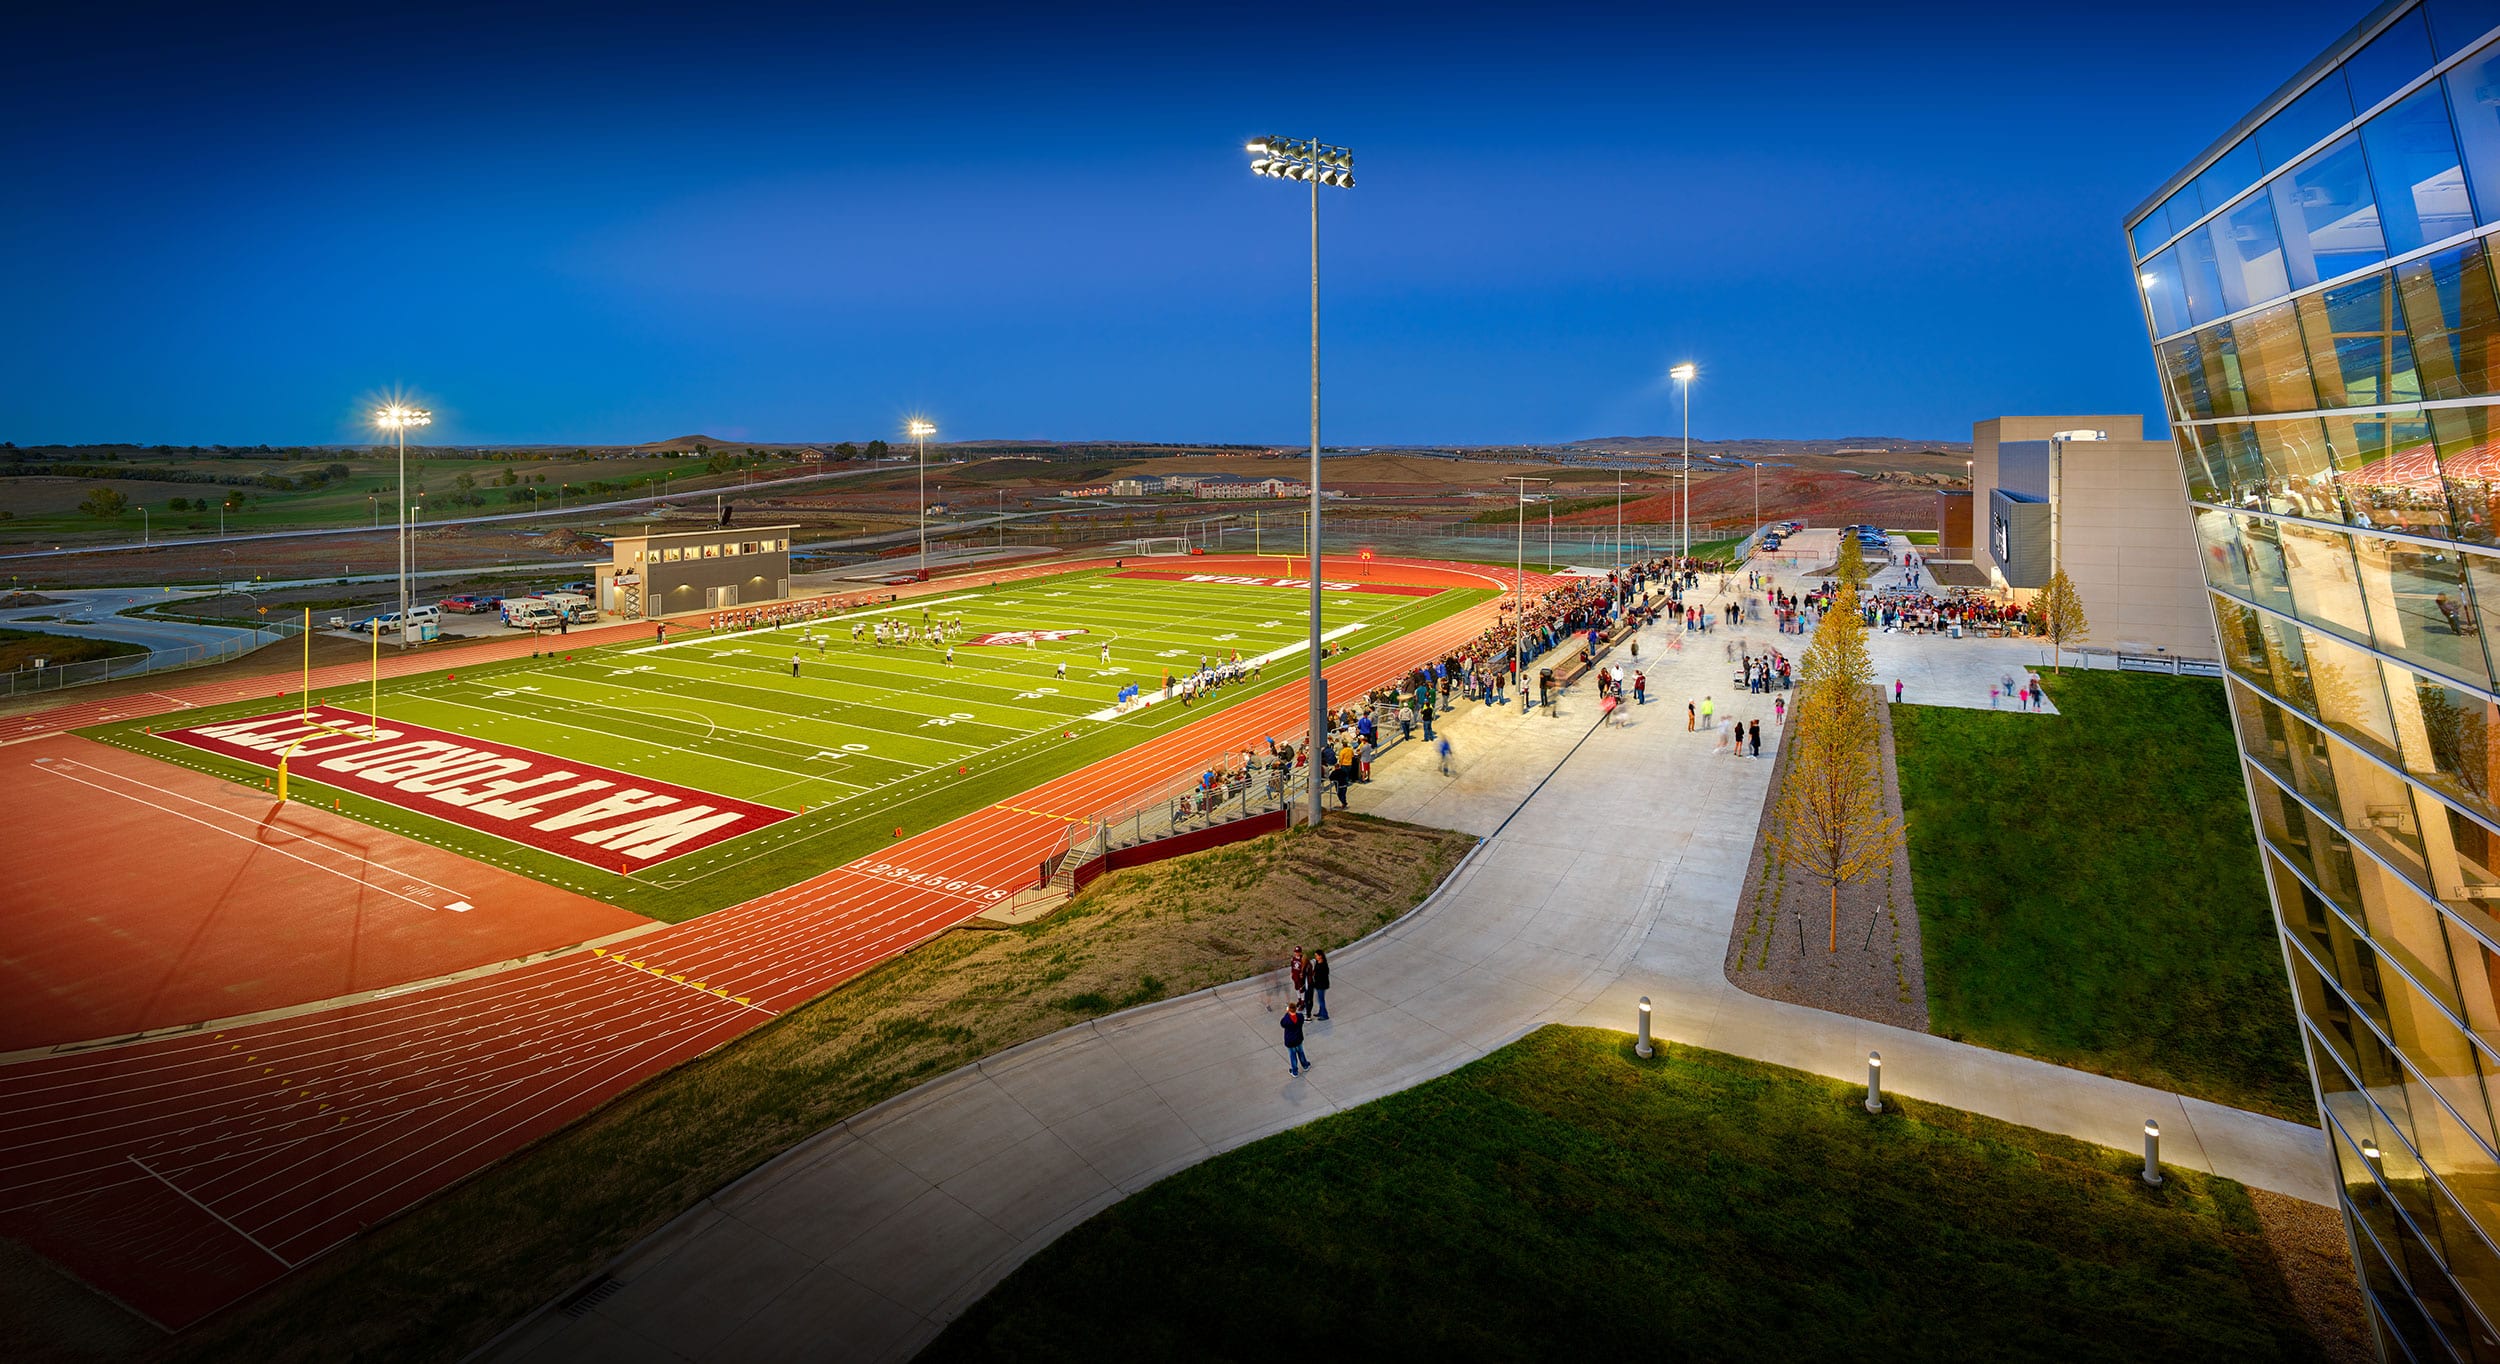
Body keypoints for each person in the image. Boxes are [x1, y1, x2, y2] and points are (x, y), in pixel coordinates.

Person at [1281, 1002, 1311, 1076]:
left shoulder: (1287, 1019)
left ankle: (1295, 1071)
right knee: (1301, 1052)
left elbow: (1282, 1023)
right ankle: (1305, 1065)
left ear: (1289, 1010)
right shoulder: (1300, 1016)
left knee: (1292, 1055)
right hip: (1298, 1038)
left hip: (1290, 1040)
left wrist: (1287, 1013)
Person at [1310, 949, 1331, 1020]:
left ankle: (1325, 1015)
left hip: (1321, 985)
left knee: (1321, 1000)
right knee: (1320, 999)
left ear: (1320, 956)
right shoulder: (1317, 962)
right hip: (1318, 984)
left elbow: (1323, 975)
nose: (1315, 957)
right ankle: (1321, 1011)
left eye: (1316, 955)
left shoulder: (1323, 965)